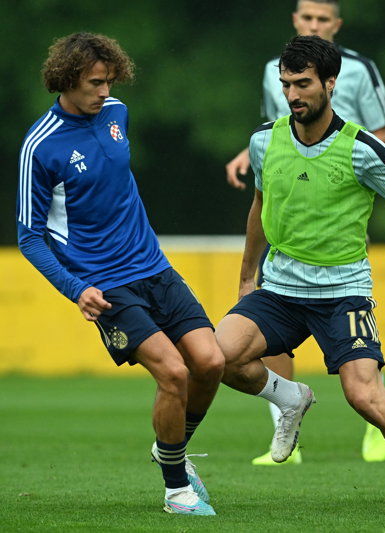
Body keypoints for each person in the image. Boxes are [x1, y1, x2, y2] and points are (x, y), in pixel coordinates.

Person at [215, 35, 385, 515]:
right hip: (279, 291)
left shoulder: (362, 148)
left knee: (364, 396)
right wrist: (246, 277)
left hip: (343, 295)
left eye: (303, 84)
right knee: (217, 358)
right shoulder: (264, 140)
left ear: (330, 83)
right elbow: (259, 207)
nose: (292, 94)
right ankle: (290, 398)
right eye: (286, 84)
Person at [15, 32, 229, 516]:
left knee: (210, 362)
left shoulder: (117, 113)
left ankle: (169, 447)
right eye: (95, 82)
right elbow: (29, 237)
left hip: (154, 267)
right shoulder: (40, 146)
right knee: (173, 372)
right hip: (105, 283)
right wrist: (76, 290)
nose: (105, 91)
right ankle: (177, 491)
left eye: (110, 80)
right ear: (67, 79)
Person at [225, 0, 385, 466]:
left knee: (352, 323)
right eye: (307, 18)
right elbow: (281, 130)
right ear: (295, 21)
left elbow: (383, 136)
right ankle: (286, 427)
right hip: (291, 209)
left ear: (336, 25)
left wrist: (349, 182)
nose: (314, 24)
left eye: (323, 19)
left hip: (340, 205)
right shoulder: (274, 73)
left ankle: (376, 420)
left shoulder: (361, 70)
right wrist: (247, 154)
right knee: (271, 323)